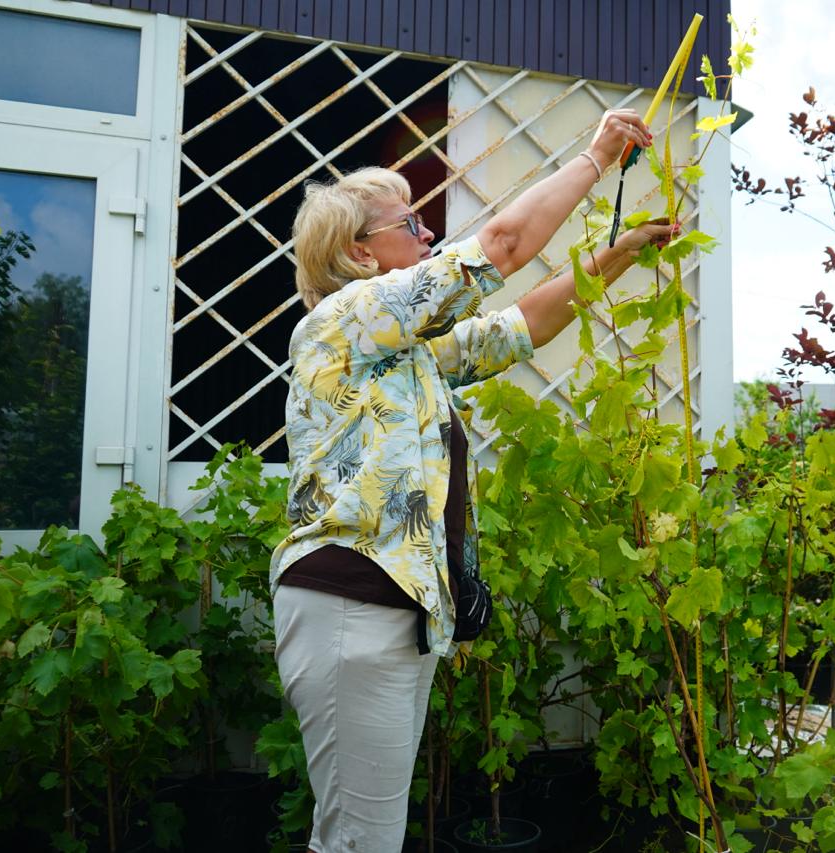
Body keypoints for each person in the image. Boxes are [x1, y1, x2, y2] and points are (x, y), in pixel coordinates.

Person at [269, 108, 675, 853]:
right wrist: (595, 158)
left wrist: (622, 251)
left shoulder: (402, 353)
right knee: (360, 842)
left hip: (385, 613)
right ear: (360, 255)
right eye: (411, 226)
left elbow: (523, 324)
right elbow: (503, 247)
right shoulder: (346, 319)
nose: (427, 238)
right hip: (350, 609)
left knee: (361, 837)